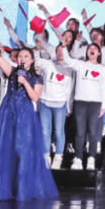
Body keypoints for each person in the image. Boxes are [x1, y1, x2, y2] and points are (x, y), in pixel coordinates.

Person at [0, 40, 58, 201]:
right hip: (8, 112)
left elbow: (35, 97)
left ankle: (23, 190)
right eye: (20, 56)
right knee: (4, 148)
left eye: (26, 56)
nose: (22, 58)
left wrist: (25, 82)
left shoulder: (37, 78)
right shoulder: (12, 72)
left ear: (32, 60)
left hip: (25, 114)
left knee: (23, 149)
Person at [61, 44, 105, 170]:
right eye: (89, 49)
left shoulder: (102, 69)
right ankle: (78, 158)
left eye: (95, 49)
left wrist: (104, 105)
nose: (92, 50)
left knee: (93, 132)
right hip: (80, 103)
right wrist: (64, 47)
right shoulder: (80, 64)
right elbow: (68, 61)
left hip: (95, 103)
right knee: (80, 132)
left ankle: (91, 158)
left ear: (99, 53)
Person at [32, 40, 74, 170]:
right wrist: (37, 50)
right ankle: (46, 156)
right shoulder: (49, 63)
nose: (60, 53)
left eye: (62, 51)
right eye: (58, 51)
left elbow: (70, 89)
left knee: (59, 131)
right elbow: (38, 62)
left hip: (60, 103)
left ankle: (58, 157)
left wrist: (69, 107)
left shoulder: (69, 68)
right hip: (45, 102)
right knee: (45, 131)